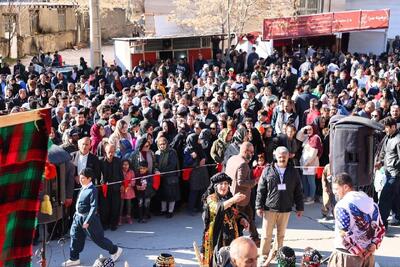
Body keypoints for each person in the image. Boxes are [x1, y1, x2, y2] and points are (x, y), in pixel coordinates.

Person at [62, 168, 122, 267]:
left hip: (89, 219)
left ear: (89, 179)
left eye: (83, 178)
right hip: (78, 217)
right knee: (75, 237)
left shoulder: (92, 190)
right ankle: (74, 258)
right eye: (80, 178)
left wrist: (88, 221)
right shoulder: (83, 187)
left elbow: (93, 207)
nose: (81, 180)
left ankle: (115, 250)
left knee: (98, 239)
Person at [256, 146, 304, 266]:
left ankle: (278, 254)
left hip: (285, 208)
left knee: (280, 235)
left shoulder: (293, 171)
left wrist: (300, 207)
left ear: (288, 156)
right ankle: (264, 255)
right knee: (266, 235)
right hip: (269, 208)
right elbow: (261, 189)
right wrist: (258, 206)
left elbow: (298, 190)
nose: (282, 158)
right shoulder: (268, 170)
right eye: (280, 156)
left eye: (284, 156)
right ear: (275, 156)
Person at [329, 173, 385, 267]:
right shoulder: (373, 204)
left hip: (347, 257)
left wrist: (358, 250)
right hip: (368, 256)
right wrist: (374, 244)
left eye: (336, 189)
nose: (334, 192)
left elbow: (343, 232)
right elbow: (381, 228)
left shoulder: (342, 205)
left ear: (346, 187)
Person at [201, 173, 249, 267]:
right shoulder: (211, 198)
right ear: (215, 186)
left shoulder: (229, 197)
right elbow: (218, 208)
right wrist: (233, 200)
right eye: (221, 184)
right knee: (218, 262)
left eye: (226, 184)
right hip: (217, 238)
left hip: (231, 235)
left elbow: (234, 214)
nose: (224, 186)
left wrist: (242, 220)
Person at [225, 142, 259, 244]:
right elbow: (241, 182)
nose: (253, 154)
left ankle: (255, 237)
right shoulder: (243, 164)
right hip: (240, 197)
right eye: (251, 152)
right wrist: (255, 181)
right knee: (239, 221)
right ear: (245, 151)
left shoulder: (232, 158)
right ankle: (239, 241)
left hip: (233, 195)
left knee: (250, 215)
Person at [376, 117, 400, 229]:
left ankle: (381, 225)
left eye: (387, 127)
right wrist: (380, 163)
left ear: (393, 127)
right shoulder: (387, 138)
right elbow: (386, 154)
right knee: (395, 199)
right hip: (388, 172)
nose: (385, 130)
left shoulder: (398, 140)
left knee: (384, 199)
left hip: (395, 174)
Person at [99, 143, 123, 231]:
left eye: (113, 152)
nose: (111, 154)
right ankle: (104, 224)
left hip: (116, 187)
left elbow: (121, 174)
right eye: (109, 152)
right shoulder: (101, 161)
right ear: (105, 151)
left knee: (115, 206)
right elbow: (98, 175)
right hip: (104, 188)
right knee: (104, 207)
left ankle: (114, 224)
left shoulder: (118, 161)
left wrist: (122, 185)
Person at [155, 137, 180, 218]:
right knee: (163, 195)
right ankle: (163, 210)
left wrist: (162, 172)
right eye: (160, 144)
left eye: (163, 144)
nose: (162, 146)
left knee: (171, 195)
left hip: (170, 177)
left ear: (166, 144)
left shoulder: (172, 152)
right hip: (161, 177)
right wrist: (157, 170)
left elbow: (172, 165)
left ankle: (170, 211)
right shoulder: (157, 153)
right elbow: (155, 164)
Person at [119, 159, 135, 225]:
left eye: (127, 164)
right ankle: (119, 218)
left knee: (129, 204)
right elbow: (118, 180)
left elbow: (133, 179)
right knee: (121, 205)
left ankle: (128, 217)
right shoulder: (120, 171)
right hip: (122, 190)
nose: (125, 166)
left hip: (129, 190)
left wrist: (131, 184)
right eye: (124, 164)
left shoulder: (131, 172)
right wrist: (121, 185)